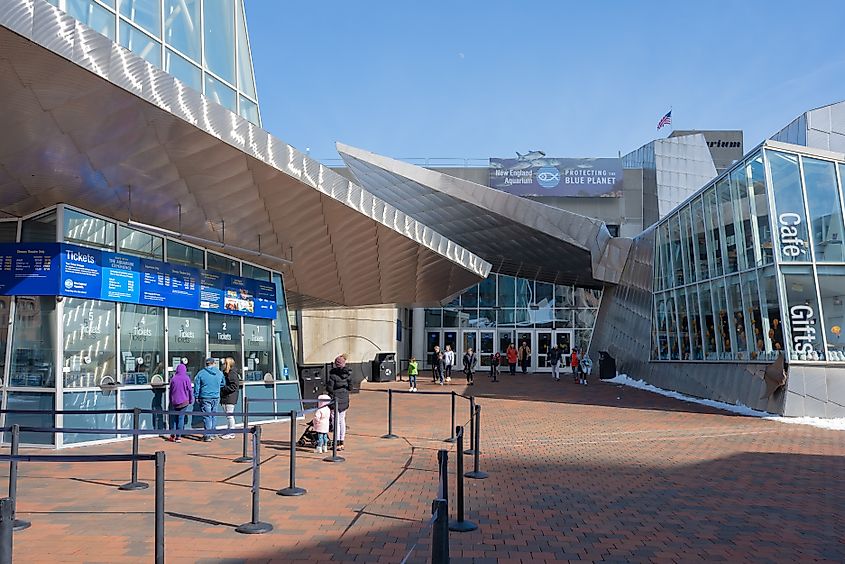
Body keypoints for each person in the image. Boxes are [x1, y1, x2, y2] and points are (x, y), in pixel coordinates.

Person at [194, 358, 225, 441]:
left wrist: (196, 396)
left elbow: (197, 386)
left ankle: (208, 435)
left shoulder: (201, 373)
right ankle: (213, 433)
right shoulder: (219, 373)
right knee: (214, 415)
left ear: (206, 364)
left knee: (207, 416)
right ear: (214, 363)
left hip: (205, 396)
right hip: (216, 396)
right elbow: (223, 383)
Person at [326, 354, 351, 451]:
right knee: (342, 420)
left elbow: (330, 388)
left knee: (335, 421)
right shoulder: (348, 374)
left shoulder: (333, 376)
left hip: (335, 399)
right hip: (344, 399)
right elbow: (350, 387)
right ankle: (342, 441)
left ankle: (336, 442)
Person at [168, 363, 193, 443]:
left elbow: (170, 391)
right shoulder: (186, 378)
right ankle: (178, 437)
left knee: (174, 419)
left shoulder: (173, 379)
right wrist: (191, 399)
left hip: (174, 401)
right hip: (184, 401)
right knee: (181, 418)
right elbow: (189, 390)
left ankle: (173, 434)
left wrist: (170, 400)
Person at [219, 357, 240, 439]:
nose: (223, 365)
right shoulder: (226, 373)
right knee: (228, 415)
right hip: (226, 396)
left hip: (229, 397)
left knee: (230, 416)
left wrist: (223, 389)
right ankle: (229, 430)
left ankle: (231, 432)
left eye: (224, 363)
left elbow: (234, 386)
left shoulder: (232, 373)